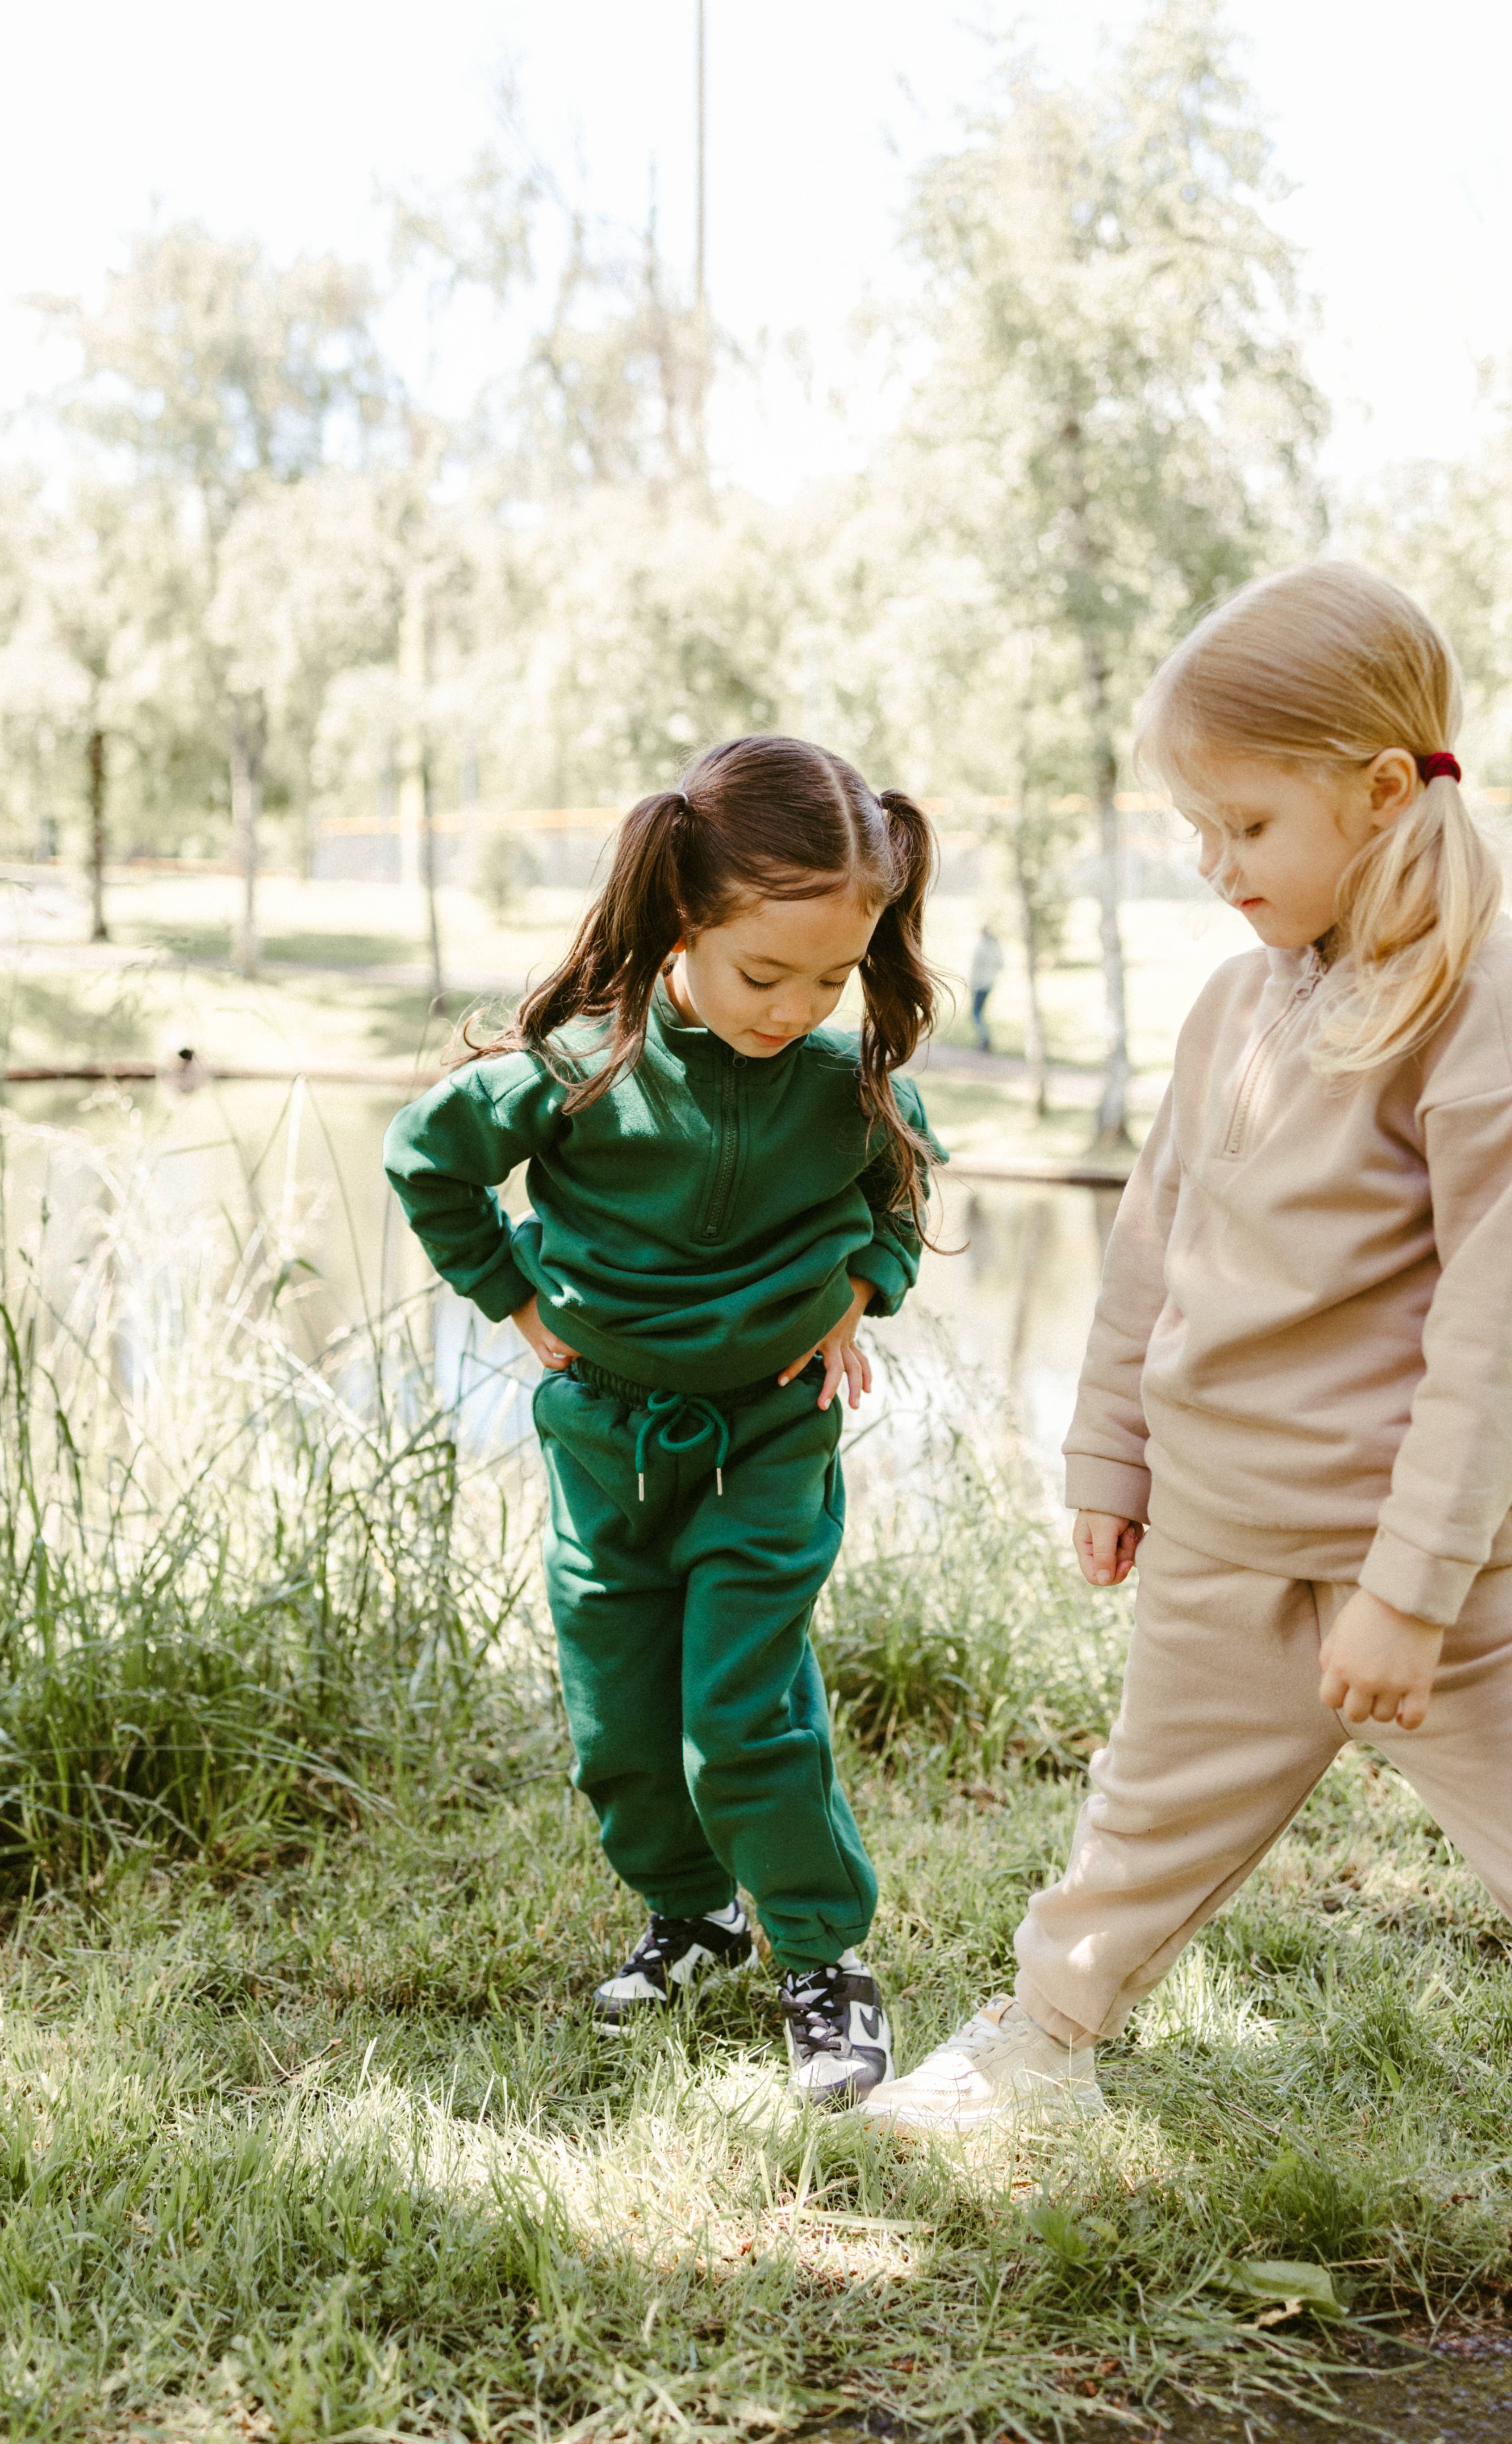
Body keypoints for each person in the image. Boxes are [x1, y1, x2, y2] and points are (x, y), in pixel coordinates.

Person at [861, 562, 1512, 2132]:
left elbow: (1498, 1334)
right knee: (1136, 1831)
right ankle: (1037, 2048)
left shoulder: (1496, 1016)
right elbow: (1148, 1251)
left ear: (1381, 791)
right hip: (1216, 1538)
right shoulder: (1231, 1009)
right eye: (1197, 829)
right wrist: (1109, 1450)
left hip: (1435, 1582)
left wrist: (1405, 1593)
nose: (1211, 865)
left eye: (1244, 827)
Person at [384, 734, 944, 2106]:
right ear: (684, 919)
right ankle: (696, 1914)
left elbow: (904, 1190)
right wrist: (514, 1297)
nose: (797, 1005)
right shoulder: (578, 1062)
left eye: (831, 977)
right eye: (767, 972)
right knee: (619, 1728)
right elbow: (428, 1161)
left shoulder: (843, 1080)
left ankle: (824, 1959)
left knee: (739, 1712)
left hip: (771, 1436)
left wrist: (865, 1286)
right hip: (603, 1440)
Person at [969, 922, 1004, 1050]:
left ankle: (985, 1039)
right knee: (979, 1013)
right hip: (989, 983)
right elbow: (1001, 964)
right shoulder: (995, 947)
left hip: (979, 984)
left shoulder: (981, 947)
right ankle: (984, 1038)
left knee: (976, 1013)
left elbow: (975, 968)